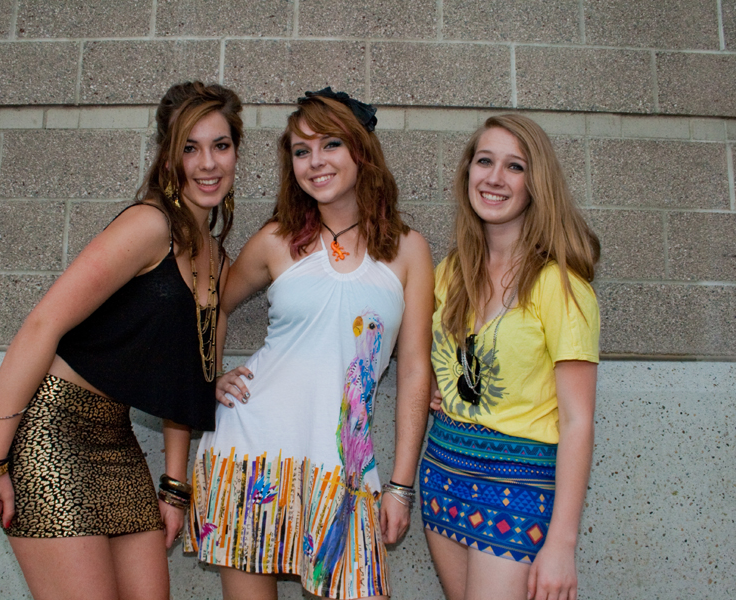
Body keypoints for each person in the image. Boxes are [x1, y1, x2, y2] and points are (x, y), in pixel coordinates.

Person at [0, 81, 243, 600]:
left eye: (220, 146)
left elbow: (187, 379)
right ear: (168, 157)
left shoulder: (219, 263)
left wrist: (175, 490)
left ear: (235, 152)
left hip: (118, 443)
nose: (208, 163)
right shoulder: (149, 225)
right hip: (53, 433)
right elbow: (41, 325)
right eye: (190, 147)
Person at [188, 88, 433, 600]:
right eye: (301, 151)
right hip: (251, 451)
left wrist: (400, 487)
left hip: (343, 470)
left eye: (330, 145)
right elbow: (213, 305)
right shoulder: (277, 239)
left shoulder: (409, 251)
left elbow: (413, 369)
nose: (314, 162)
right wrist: (206, 376)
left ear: (361, 152)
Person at [421, 114, 600, 600]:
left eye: (515, 166)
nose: (495, 178)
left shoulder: (562, 288)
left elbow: (578, 422)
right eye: (485, 161)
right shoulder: (448, 273)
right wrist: (442, 388)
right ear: (467, 173)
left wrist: (562, 543)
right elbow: (440, 359)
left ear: (535, 184)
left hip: (518, 488)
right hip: (444, 471)